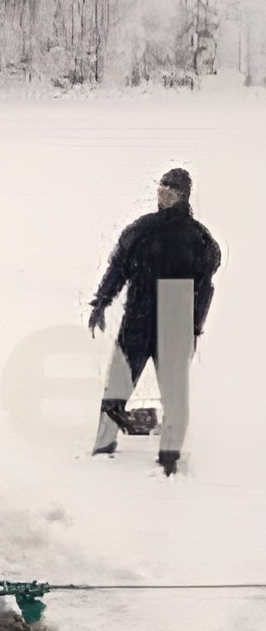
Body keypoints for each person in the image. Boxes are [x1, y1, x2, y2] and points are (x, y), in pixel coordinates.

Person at [88, 167, 221, 475]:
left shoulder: (199, 239)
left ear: (183, 196)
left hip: (175, 322)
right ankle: (103, 446)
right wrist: (101, 302)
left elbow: (205, 287)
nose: (164, 196)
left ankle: (170, 458)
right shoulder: (141, 230)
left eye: (171, 192)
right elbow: (117, 268)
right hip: (139, 317)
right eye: (161, 190)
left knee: (175, 395)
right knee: (116, 390)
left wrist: (194, 326)